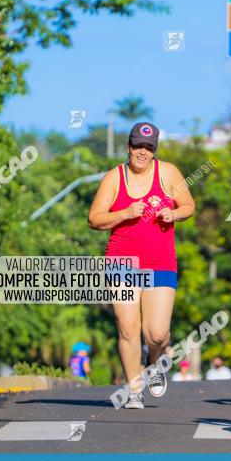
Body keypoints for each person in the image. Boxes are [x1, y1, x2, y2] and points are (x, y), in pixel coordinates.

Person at [88, 122, 195, 409]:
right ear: (129, 147)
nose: (143, 152)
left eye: (149, 147)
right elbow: (94, 219)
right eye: (138, 146)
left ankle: (155, 361)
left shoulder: (168, 173)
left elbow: (188, 205)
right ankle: (134, 388)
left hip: (160, 262)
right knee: (127, 327)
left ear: (155, 149)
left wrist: (174, 214)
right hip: (121, 261)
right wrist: (123, 213)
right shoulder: (115, 177)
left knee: (157, 333)